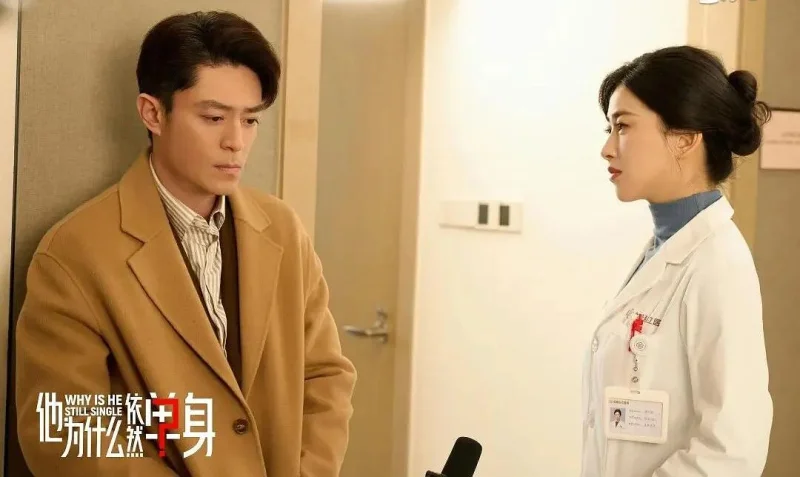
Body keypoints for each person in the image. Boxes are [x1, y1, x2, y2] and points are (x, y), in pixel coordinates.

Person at [14, 11, 356, 477]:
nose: (236, 142)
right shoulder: (75, 253)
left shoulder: (282, 230)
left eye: (250, 120)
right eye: (214, 118)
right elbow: (66, 431)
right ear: (153, 113)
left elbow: (325, 377)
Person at [581, 45, 773, 477]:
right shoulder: (665, 249)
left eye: (623, 126)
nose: (607, 149)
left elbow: (732, 451)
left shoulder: (718, 265)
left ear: (685, 138)